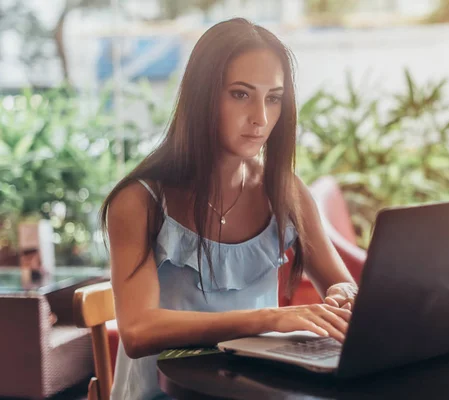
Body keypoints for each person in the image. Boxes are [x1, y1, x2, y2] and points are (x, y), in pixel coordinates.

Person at [100, 18, 357, 399]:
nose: (261, 118)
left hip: (251, 388)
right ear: (203, 96)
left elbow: (343, 282)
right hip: (161, 393)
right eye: (241, 94)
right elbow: (138, 331)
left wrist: (342, 297)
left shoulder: (284, 191)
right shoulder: (139, 201)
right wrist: (271, 320)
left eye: (273, 97)